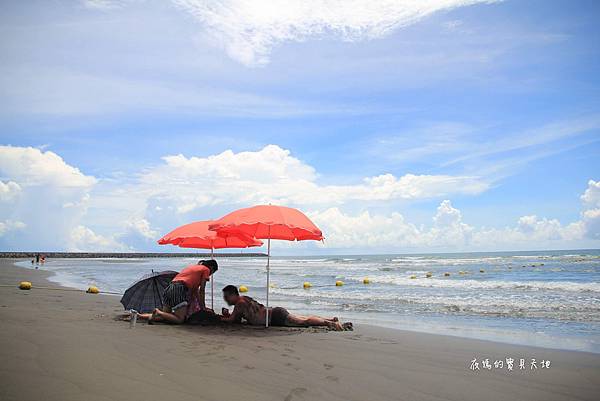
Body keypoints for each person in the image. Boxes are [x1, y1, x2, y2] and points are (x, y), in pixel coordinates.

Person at [220, 285, 351, 331]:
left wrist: (222, 317)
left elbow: (233, 320)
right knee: (303, 318)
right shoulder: (244, 298)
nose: (225, 299)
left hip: (275, 317)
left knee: (303, 322)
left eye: (226, 297)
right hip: (275, 312)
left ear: (233, 295)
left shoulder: (240, 303)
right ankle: (330, 319)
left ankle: (329, 323)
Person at [146, 260, 218, 324]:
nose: (209, 275)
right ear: (211, 268)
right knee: (180, 319)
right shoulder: (206, 269)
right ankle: (158, 312)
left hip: (169, 288)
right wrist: (203, 308)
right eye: (212, 273)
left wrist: (202, 307)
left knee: (165, 317)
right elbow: (202, 290)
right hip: (179, 288)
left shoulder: (194, 268)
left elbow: (196, 292)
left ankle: (141, 316)